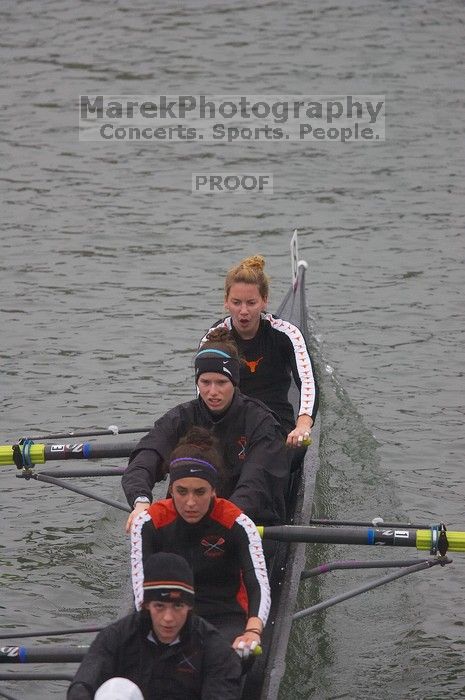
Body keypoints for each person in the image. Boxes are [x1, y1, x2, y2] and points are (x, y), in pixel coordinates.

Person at [122, 329, 289, 532]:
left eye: (221, 383)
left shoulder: (261, 422)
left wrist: (221, 520)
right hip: (191, 518)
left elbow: (257, 483)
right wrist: (141, 502)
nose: (212, 392)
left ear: (235, 382)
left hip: (245, 521)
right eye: (205, 382)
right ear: (197, 382)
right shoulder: (180, 418)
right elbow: (145, 457)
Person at [131, 427, 270, 653]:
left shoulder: (237, 522)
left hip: (225, 617)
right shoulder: (148, 523)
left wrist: (253, 630)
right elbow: (140, 590)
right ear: (171, 489)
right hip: (170, 612)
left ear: (214, 491)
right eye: (182, 491)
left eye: (200, 492)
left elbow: (258, 583)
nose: (190, 503)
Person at [67, 552, 242, 700]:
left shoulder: (215, 648)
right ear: (146, 605)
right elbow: (82, 685)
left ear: (189, 606)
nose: (168, 618)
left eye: (177, 606)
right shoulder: (116, 636)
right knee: (116, 689)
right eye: (160, 606)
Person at [200, 255, 318, 447]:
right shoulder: (215, 337)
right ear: (226, 302)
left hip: (276, 424)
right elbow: (203, 390)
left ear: (264, 301)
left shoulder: (287, 334)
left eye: (251, 303)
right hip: (231, 424)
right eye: (236, 303)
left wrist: (304, 423)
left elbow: (307, 382)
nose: (243, 311)